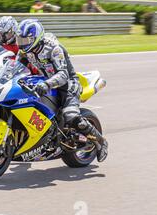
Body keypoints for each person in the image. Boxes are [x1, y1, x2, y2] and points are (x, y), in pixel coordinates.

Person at [16, 19, 108, 162]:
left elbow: (63, 74)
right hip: (45, 82)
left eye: (26, 39)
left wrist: (47, 84)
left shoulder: (53, 48)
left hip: (68, 84)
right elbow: (15, 67)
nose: (22, 43)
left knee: (71, 117)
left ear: (36, 37)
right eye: (20, 39)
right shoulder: (25, 51)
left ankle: (101, 142)